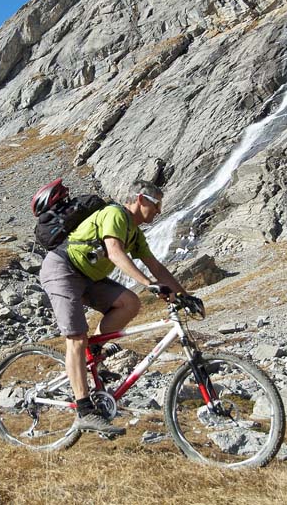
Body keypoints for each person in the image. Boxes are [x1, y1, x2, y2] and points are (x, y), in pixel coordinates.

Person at [39, 179, 191, 436]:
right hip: (62, 269)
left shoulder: (135, 232)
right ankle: (85, 411)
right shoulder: (114, 214)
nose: (158, 211)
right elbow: (114, 252)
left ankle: (93, 350)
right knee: (76, 338)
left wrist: (185, 296)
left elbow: (156, 266)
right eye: (156, 205)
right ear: (141, 199)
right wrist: (148, 284)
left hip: (89, 277)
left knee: (130, 303)